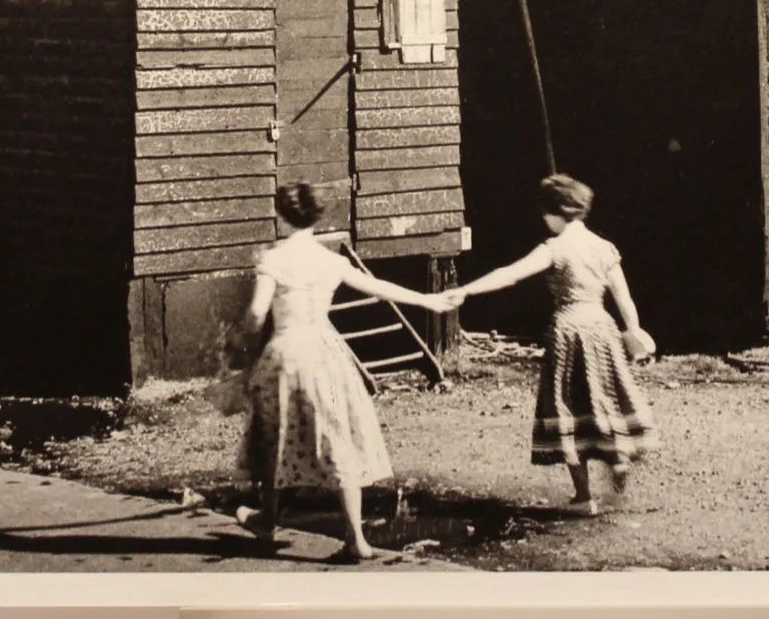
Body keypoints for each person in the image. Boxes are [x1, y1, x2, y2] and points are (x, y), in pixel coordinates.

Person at [238, 183, 450, 563]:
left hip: (286, 353)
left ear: (280, 215)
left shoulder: (273, 260)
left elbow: (256, 315)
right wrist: (427, 299)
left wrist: (240, 341)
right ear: (317, 216)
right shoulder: (331, 261)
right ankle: (354, 538)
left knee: (275, 435)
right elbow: (378, 287)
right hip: (324, 352)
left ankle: (269, 519)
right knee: (337, 438)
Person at [446, 173, 656, 514]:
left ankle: (584, 497)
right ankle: (618, 459)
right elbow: (623, 296)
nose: (544, 219)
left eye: (545, 213)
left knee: (566, 404)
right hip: (601, 327)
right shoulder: (603, 248)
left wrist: (466, 290)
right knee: (605, 395)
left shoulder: (554, 247)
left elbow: (511, 273)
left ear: (557, 212)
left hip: (568, 329)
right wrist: (632, 329)